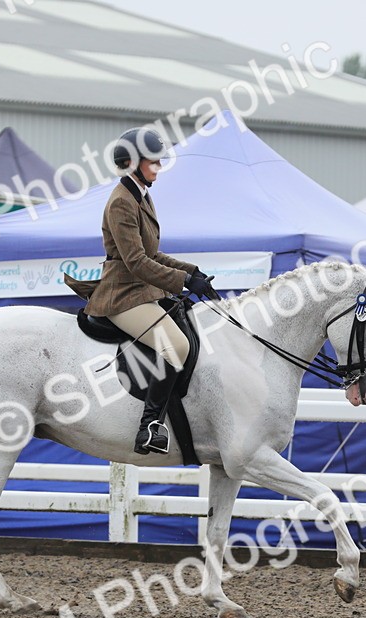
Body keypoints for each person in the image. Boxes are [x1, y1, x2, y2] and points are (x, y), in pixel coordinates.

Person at [66, 127, 219, 455]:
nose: (159, 167)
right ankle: (150, 427)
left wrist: (192, 273)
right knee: (175, 346)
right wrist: (181, 282)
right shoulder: (122, 202)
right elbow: (136, 262)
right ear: (133, 162)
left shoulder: (141, 195)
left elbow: (152, 254)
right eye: (154, 161)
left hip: (142, 289)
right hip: (122, 294)